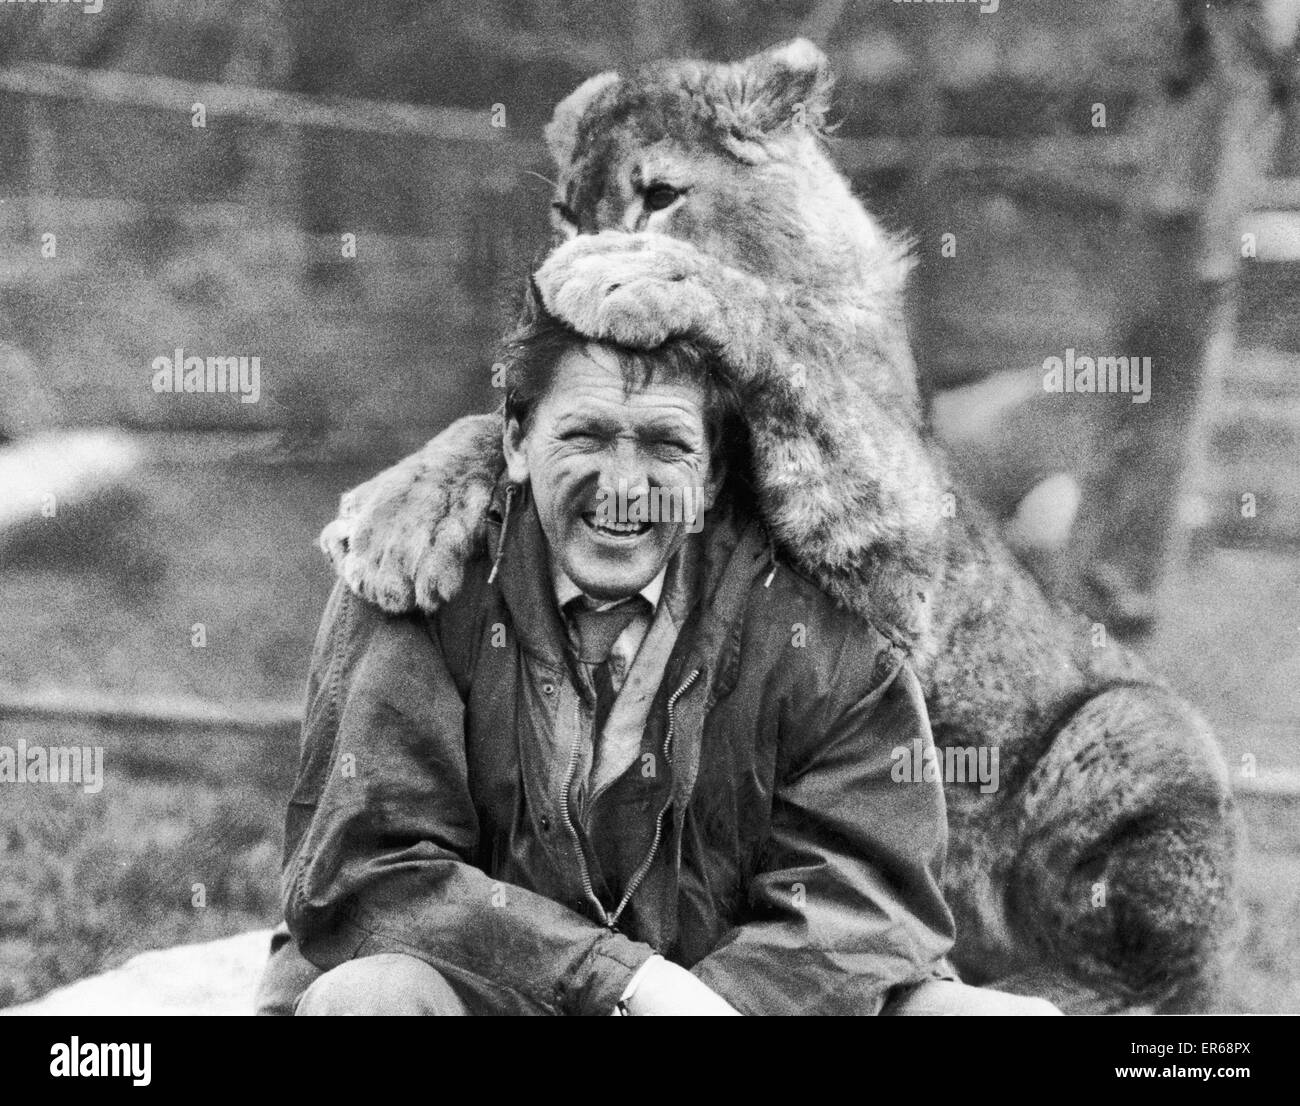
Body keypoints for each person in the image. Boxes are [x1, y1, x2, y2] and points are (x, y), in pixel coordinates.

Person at [258, 302, 1060, 1015]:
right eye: (586, 435)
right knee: (371, 1000)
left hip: (737, 1006)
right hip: (492, 991)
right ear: (514, 442)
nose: (624, 484)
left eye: (665, 445)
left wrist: (712, 1003)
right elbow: (371, 872)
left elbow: (866, 904)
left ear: (711, 477)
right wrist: (623, 982)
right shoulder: (417, 575)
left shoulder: (823, 625)